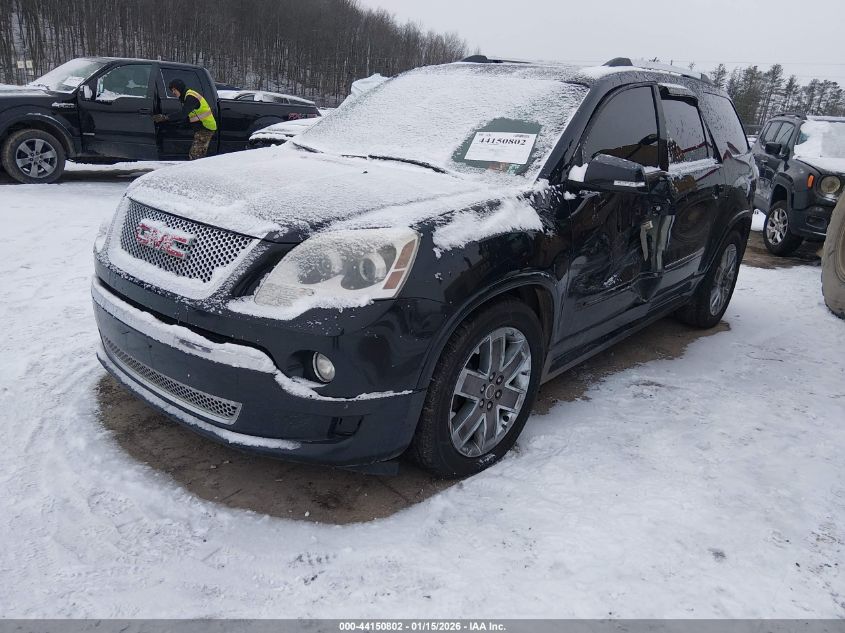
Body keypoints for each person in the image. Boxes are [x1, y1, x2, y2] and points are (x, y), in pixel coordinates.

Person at [152, 79, 217, 160]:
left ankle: (195, 171)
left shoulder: (190, 97)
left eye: (174, 89)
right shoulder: (186, 96)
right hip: (202, 127)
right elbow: (188, 115)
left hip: (206, 127)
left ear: (179, 88)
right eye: (172, 90)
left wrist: (165, 117)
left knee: (195, 155)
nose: (173, 92)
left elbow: (183, 113)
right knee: (198, 155)